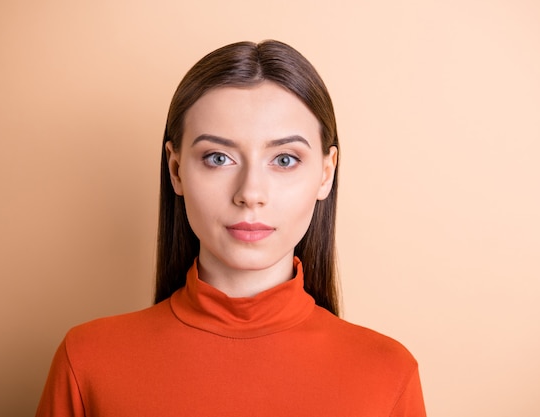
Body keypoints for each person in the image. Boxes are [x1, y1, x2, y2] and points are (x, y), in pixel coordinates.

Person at [36, 39, 426, 416]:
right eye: (219, 157)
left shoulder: (388, 374)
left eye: (285, 160)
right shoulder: (87, 360)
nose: (250, 194)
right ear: (176, 170)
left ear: (326, 173)